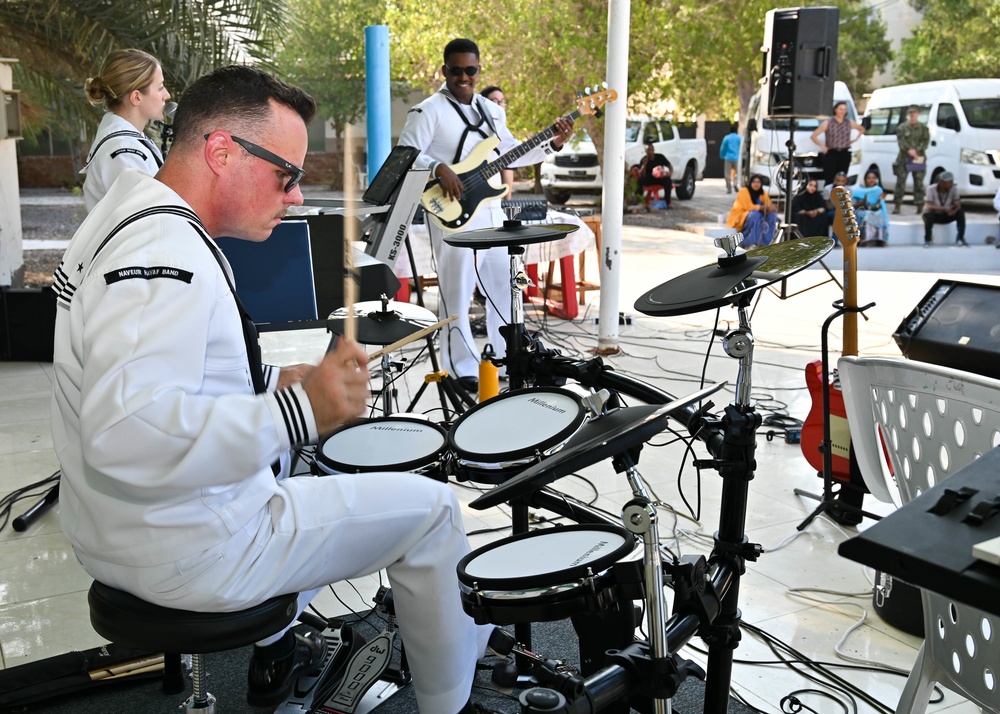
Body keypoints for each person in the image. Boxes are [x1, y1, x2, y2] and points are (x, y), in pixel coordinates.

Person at [50, 65, 491, 714]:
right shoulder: (164, 252)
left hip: (117, 532)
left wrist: (264, 383)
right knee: (434, 512)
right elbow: (126, 432)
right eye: (287, 177)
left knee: (313, 469)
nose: (294, 198)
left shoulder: (124, 218)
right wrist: (298, 408)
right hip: (186, 549)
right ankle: (447, 706)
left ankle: (278, 652)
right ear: (222, 151)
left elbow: (150, 372)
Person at [398, 38, 574, 389]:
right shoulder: (428, 111)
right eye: (456, 70)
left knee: (504, 285)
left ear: (479, 70)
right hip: (450, 209)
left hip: (491, 209)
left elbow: (512, 153)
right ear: (444, 70)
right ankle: (459, 366)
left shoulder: (490, 110)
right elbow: (405, 152)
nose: (464, 76)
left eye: (471, 70)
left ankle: (508, 357)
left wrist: (553, 143)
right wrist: (437, 168)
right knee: (457, 288)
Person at [80, 49, 171, 212]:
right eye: (160, 88)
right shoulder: (123, 152)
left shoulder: (128, 142)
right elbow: (145, 218)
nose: (167, 95)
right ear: (136, 97)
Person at [810, 101, 865, 185]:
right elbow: (814, 136)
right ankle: (828, 196)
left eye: (844, 109)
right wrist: (823, 146)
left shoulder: (849, 122)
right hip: (831, 153)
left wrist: (855, 139)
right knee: (830, 178)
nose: (842, 111)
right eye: (840, 109)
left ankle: (840, 196)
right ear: (835, 110)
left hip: (844, 153)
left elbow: (862, 129)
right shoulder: (828, 122)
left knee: (842, 177)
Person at [893, 105, 930, 214]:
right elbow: (901, 142)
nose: (913, 115)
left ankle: (919, 205)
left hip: (918, 157)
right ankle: (897, 205)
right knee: (901, 182)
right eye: (911, 113)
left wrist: (916, 151)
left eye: (915, 113)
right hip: (904, 157)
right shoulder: (902, 127)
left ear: (918, 114)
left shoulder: (923, 128)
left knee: (918, 181)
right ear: (908, 115)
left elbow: (925, 142)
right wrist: (909, 150)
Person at [726, 174, 778, 249]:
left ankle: (767, 242)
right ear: (750, 183)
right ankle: (750, 242)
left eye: (758, 182)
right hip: (742, 216)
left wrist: (771, 208)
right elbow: (749, 207)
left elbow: (769, 205)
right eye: (754, 182)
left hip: (759, 214)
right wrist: (763, 207)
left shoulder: (762, 192)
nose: (756, 184)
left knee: (772, 216)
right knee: (755, 215)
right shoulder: (744, 191)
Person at [480, 85, 515, 192]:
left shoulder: (504, 131)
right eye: (494, 101)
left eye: (502, 101)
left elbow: (508, 169)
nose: (499, 105)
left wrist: (507, 204)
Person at [922, 171, 966, 247]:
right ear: (942, 183)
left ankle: (960, 239)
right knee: (929, 214)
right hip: (934, 214)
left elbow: (957, 204)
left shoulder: (954, 189)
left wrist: (954, 209)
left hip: (946, 214)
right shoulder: (931, 189)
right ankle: (928, 240)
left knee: (960, 213)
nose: (952, 183)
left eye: (952, 181)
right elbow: (929, 206)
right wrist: (944, 208)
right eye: (950, 182)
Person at [851, 170, 889, 246]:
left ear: (877, 179)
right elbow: (853, 206)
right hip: (861, 210)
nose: (871, 180)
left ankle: (879, 239)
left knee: (878, 214)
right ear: (865, 179)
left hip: (875, 210)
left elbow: (881, 206)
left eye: (873, 178)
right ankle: (865, 240)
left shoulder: (878, 190)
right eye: (869, 178)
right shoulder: (859, 191)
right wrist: (863, 202)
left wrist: (880, 200)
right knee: (867, 214)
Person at [635, 140, 673, 207]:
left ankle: (667, 203)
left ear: (653, 150)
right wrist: (644, 165)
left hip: (659, 178)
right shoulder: (644, 159)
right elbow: (641, 174)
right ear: (645, 151)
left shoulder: (660, 157)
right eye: (648, 150)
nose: (650, 152)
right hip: (649, 178)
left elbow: (669, 166)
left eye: (651, 150)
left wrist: (670, 173)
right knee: (640, 181)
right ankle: (638, 201)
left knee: (668, 181)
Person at [822, 171, 850, 245]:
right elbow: (827, 206)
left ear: (846, 181)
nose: (840, 183)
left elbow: (849, 204)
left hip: (845, 211)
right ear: (834, 180)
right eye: (838, 181)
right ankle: (834, 240)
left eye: (843, 181)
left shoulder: (849, 190)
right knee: (838, 215)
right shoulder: (827, 189)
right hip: (832, 211)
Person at [719, 123, 741, 193]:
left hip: (728, 157)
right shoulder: (739, 138)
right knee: (737, 172)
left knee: (727, 173)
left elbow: (723, 148)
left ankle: (729, 188)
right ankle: (735, 183)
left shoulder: (726, 138)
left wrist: (722, 156)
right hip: (737, 157)